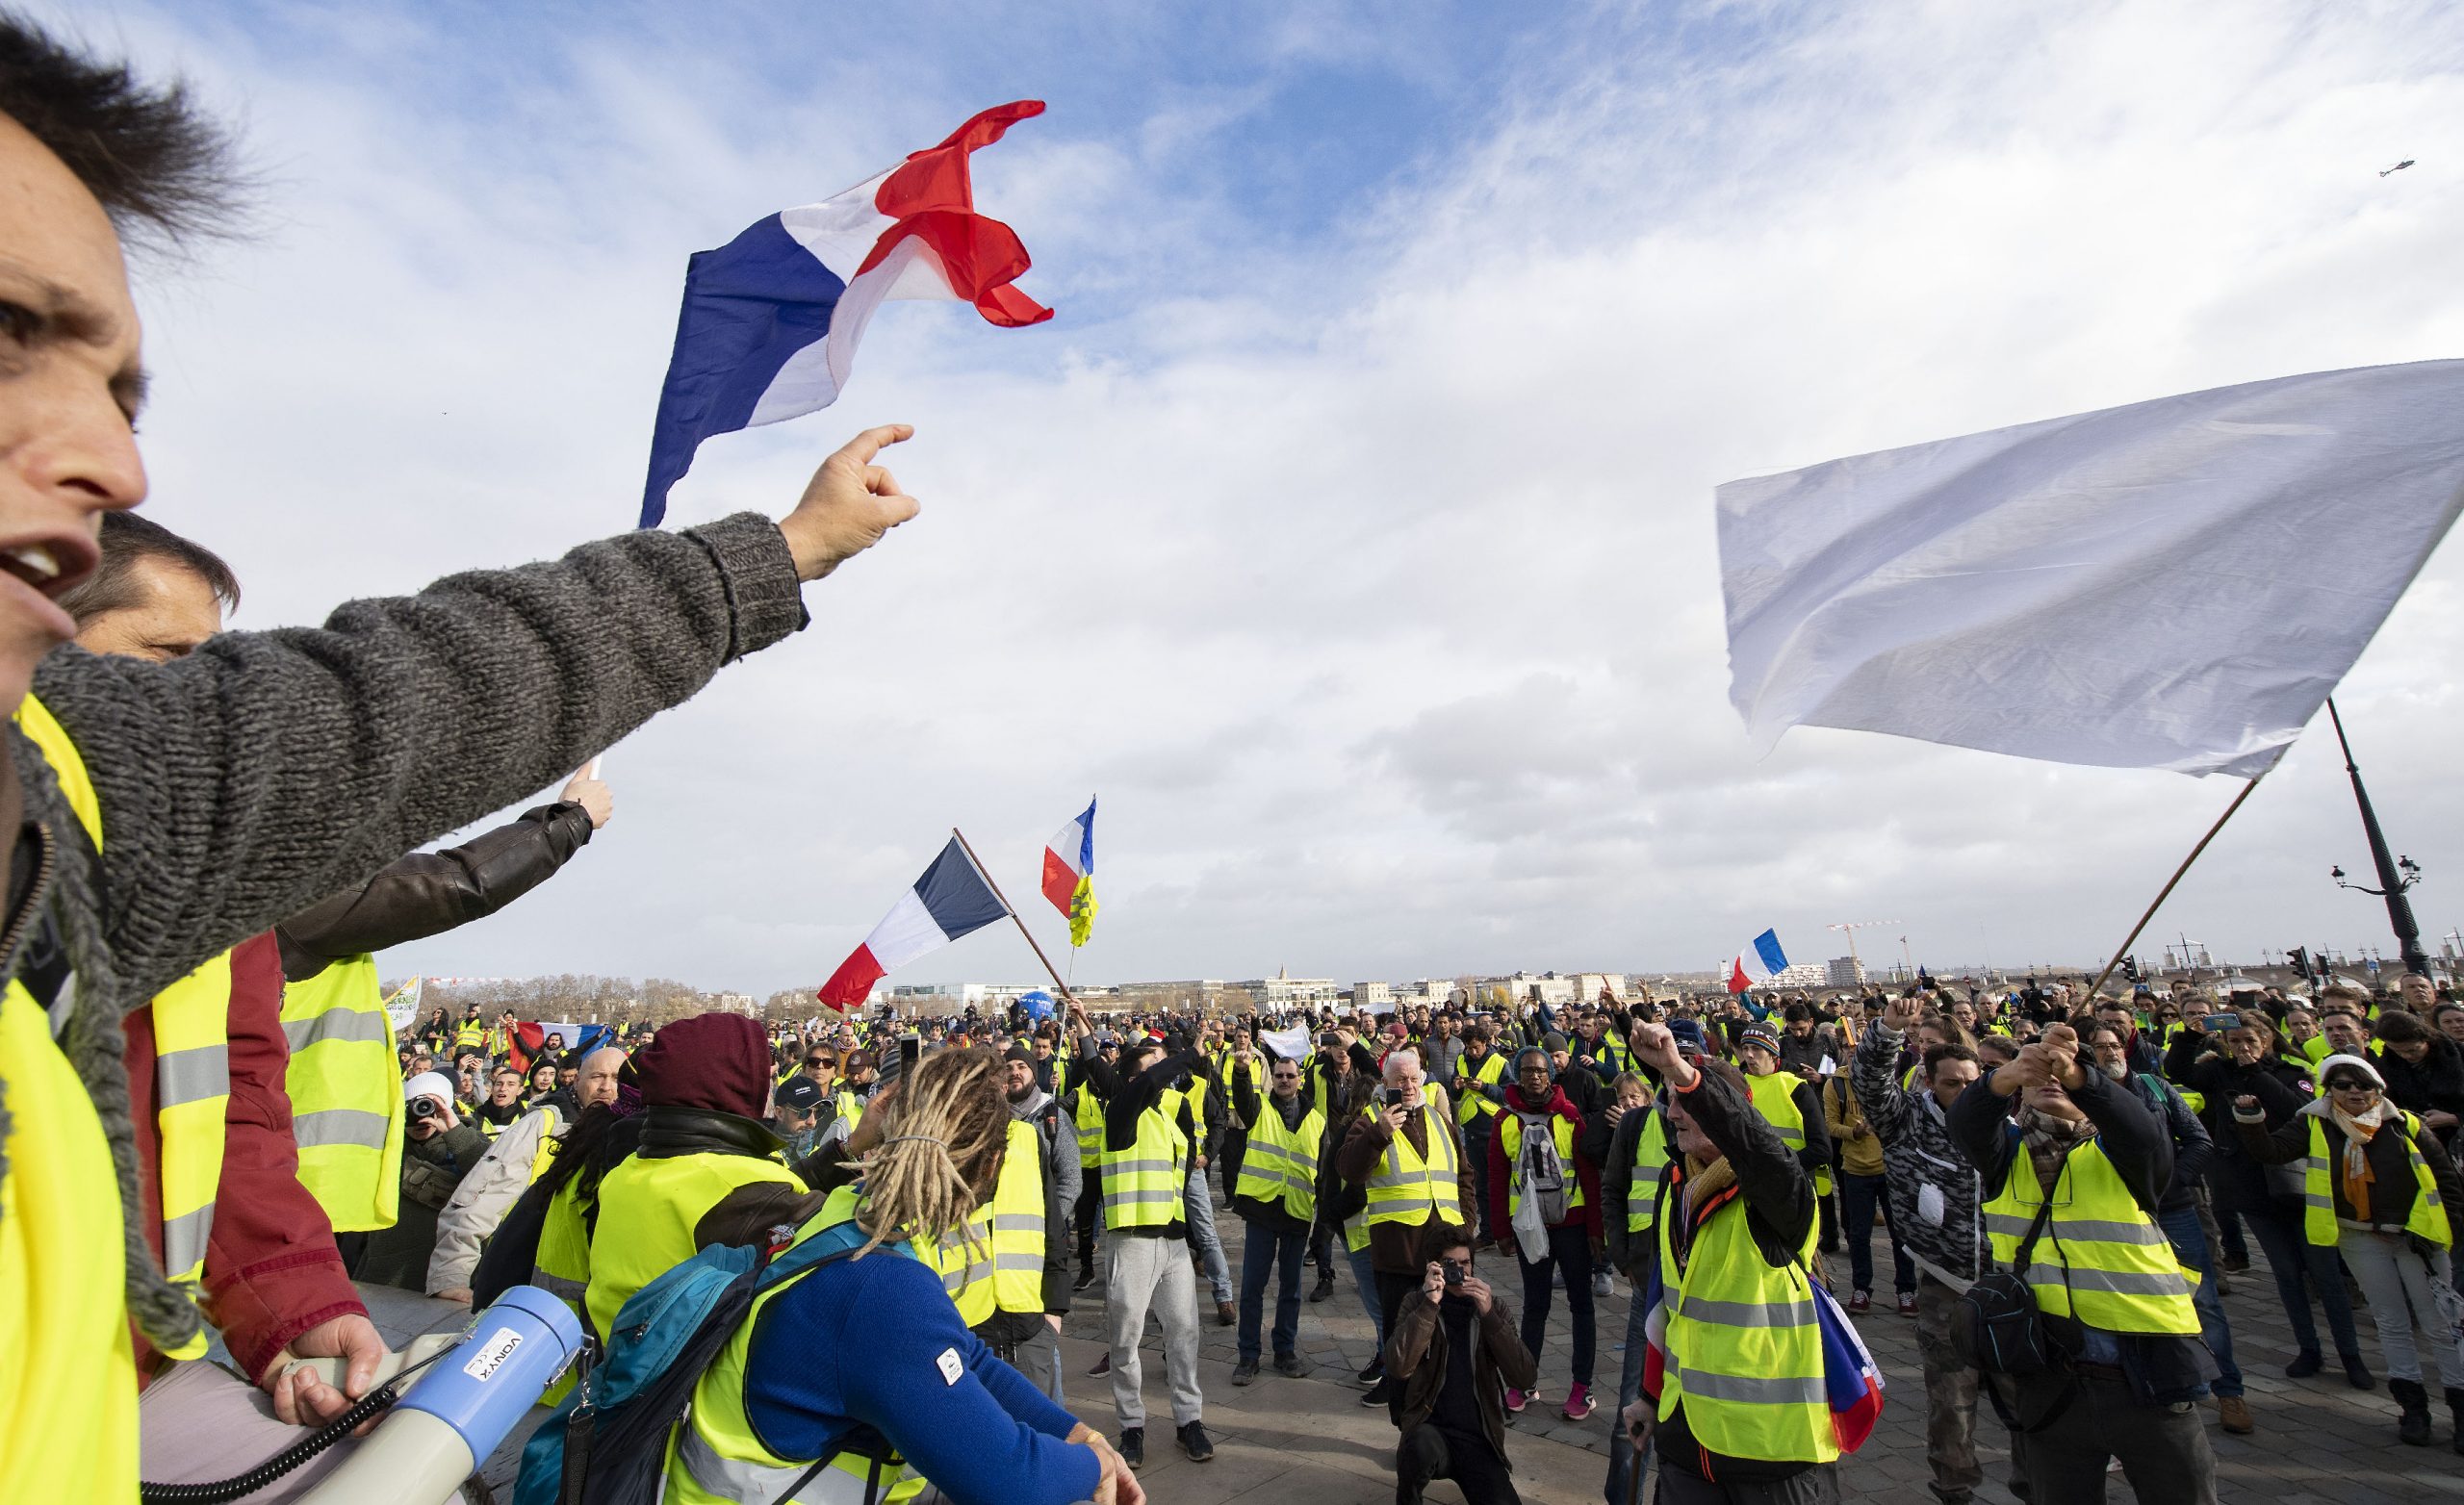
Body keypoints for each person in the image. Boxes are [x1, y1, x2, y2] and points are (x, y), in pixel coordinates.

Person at [663, 1047, 1140, 1505]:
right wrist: (1096, 1464)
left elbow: (966, 1356)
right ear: (992, 1165)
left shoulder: (845, 1211)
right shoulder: (881, 1289)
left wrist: (1077, 1432)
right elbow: (1013, 1481)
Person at [1950, 1027, 2218, 1503]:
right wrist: (2005, 1076)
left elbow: (2141, 1130)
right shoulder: (2007, 1155)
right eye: (2040, 1075)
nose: (2050, 1079)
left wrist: (2081, 1076)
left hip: (2145, 1369)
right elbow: (1966, 1125)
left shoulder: (2123, 1154)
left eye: (2061, 1076)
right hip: (2051, 1373)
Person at [1623, 1023, 1841, 1504]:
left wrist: (1684, 1070)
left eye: (1685, 1101)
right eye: (1669, 1099)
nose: (1672, 1112)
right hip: (1687, 1442)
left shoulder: (1778, 1189)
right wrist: (1651, 1396)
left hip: (1770, 1451)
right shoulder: (1677, 1183)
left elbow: (1754, 1144)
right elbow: (1668, 1309)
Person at [2236, 1052, 2464, 1451]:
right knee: (2391, 1323)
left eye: (2364, 1085)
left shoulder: (2403, 1122)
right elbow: (2271, 1153)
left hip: (2417, 1239)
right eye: (2343, 1085)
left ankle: (2461, 1411)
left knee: (2441, 1327)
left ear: (2379, 1088)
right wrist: (2252, 1119)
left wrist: (2450, 1231)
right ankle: (2414, 1409)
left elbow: (2445, 1180)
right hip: (2359, 1237)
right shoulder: (2314, 1122)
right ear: (2329, 1090)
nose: (2355, 1092)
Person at [2167, 1010, 2371, 1386]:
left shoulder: (2293, 1074)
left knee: (2326, 1276)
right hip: (2251, 1186)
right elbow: (2178, 1070)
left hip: (2298, 1185)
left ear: (2267, 1042)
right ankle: (2308, 1349)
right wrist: (2189, 1035)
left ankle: (2351, 1354)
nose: (2242, 1048)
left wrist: (2257, 1072)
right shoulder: (2218, 1073)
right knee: (2287, 1275)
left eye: (2250, 1041)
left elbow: (2294, 1108)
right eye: (2235, 1042)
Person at [1854, 996, 1991, 1505]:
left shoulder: (2007, 1122)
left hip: (2010, 1282)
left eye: (1973, 1083)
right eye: (1951, 1083)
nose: (1963, 1091)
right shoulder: (1908, 1120)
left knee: (2028, 1399)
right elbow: (1870, 1083)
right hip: (1946, 1282)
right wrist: (1888, 1031)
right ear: (1929, 1082)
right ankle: (1956, 1491)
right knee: (1952, 1404)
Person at [2083, 1020, 2248, 1434]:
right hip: (2114, 1214)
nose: (2110, 1052)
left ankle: (2229, 1391)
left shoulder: (2155, 1087)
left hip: (2172, 1208)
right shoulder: (2081, 1098)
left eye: (2116, 1044)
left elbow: (2198, 1140)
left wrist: (2170, 1180)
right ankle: (2163, 1385)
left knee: (2202, 1300)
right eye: (2100, 1046)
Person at [1086, 1029, 1215, 1467]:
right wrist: (1187, 1055)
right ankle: (1132, 1427)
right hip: (1132, 1243)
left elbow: (1182, 1170)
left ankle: (1189, 1421)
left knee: (1184, 1334)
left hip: (1173, 1243)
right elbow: (1145, 1082)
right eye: (1151, 1068)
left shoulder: (1171, 1116)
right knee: (1126, 1340)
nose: (1161, 1075)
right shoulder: (1123, 1110)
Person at [425, 1043, 624, 1303]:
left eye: (616, 1078)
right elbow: (479, 1200)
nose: (606, 1087)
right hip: (526, 1296)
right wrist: (451, 1276)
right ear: (577, 1081)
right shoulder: (543, 1124)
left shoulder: (636, 1137)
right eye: (597, 1076)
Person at [1340, 1047, 1478, 1412]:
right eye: (1400, 1079)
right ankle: (1406, 1427)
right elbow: (1350, 1170)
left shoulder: (1438, 1120)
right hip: (1399, 1258)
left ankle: (1446, 1418)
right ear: (1385, 1083)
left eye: (1415, 1078)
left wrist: (1468, 1226)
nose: (1409, 1086)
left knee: (1449, 1345)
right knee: (1403, 1350)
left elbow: (1464, 1176)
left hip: (1447, 1256)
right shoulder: (1370, 1119)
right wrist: (1378, 1135)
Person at [1488, 1044, 1601, 1420]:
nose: (1534, 1077)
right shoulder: (1504, 1120)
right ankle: (1524, 1381)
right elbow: (1497, 1176)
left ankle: (1581, 1388)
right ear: (1517, 1076)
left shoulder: (1570, 1117)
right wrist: (1501, 1230)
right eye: (1527, 1071)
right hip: (1530, 1227)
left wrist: (1596, 1231)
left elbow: (1588, 1175)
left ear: (1550, 1076)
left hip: (1573, 1223)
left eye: (1541, 1071)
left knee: (1581, 1304)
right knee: (1535, 1305)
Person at [1388, 1222, 1535, 1505]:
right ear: (1434, 1267)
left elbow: (1524, 1378)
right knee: (1418, 1448)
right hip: (1431, 1431)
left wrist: (1490, 1317)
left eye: (1466, 1263)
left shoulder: (1494, 1308)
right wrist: (1430, 1305)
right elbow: (1398, 1365)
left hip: (1478, 1438)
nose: (1460, 1271)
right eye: (1450, 1264)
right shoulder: (1416, 1303)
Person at [1598, 1060, 1672, 1505]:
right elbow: (1612, 1189)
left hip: (1701, 1289)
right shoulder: (1636, 1126)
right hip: (1648, 1279)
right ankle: (1623, 1497)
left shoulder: (1714, 1122)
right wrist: (1622, 1254)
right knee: (1634, 1401)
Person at [1228, 1039, 1321, 1384]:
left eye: (1289, 1075)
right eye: (1279, 1075)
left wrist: (1323, 1221)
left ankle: (1285, 1351)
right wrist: (1241, 1070)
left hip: (1297, 1213)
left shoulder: (1316, 1119)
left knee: (1291, 1288)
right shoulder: (1260, 1109)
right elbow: (1242, 1099)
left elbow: (1321, 1169)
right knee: (1253, 1286)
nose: (1283, 1080)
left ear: (1300, 1079)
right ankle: (1248, 1355)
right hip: (1262, 1210)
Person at [351, 1072, 490, 1291]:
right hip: (385, 1268)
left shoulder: (470, 1140)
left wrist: (453, 1130)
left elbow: (491, 1177)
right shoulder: (386, 1145)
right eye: (413, 1105)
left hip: (447, 1272)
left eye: (432, 1104)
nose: (422, 1114)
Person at [1824, 1059, 1912, 1316]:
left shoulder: (1888, 1087)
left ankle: (1906, 1289)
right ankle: (1861, 1288)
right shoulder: (1836, 1085)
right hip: (1855, 1170)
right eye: (1853, 1055)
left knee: (1900, 1234)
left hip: (1890, 1169)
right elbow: (1830, 1124)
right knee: (1859, 1235)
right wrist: (1855, 1131)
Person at [1452, 1021, 1511, 1248]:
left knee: (1500, 1185)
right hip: (1472, 1131)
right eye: (1469, 1048)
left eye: (1476, 1047)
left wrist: (1485, 1087)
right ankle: (1487, 1233)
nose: (1472, 1052)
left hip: (1495, 1129)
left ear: (1485, 1043)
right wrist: (1456, 1087)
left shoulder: (1499, 1062)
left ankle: (1506, 1234)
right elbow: (1455, 1096)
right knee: (1482, 1187)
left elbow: (1508, 1094)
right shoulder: (1461, 1061)